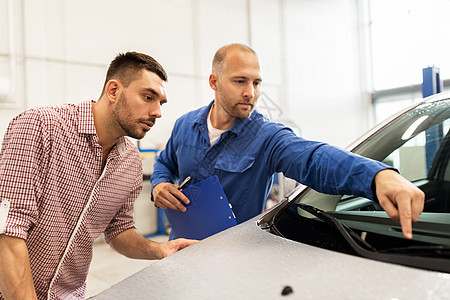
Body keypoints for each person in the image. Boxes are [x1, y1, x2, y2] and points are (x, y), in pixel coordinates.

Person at [151, 43, 424, 241]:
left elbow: (313, 157)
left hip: (231, 253)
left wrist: (377, 176)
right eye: (240, 81)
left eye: (257, 83)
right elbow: (165, 162)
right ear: (214, 81)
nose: (251, 93)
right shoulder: (186, 125)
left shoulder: (266, 137)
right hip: (180, 245)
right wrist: (159, 185)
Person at [0, 52, 197, 300]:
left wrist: (159, 249)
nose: (157, 112)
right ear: (113, 91)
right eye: (148, 97)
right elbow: (7, 230)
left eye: (161, 103)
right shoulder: (41, 126)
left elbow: (119, 231)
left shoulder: (130, 162)